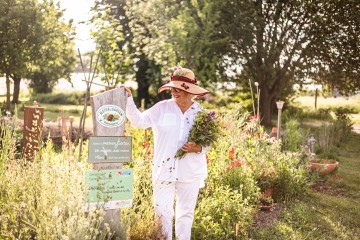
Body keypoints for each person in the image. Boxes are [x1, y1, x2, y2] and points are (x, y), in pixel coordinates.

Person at [122, 67, 211, 240]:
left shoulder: (202, 114)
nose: (174, 91)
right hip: (163, 171)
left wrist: (199, 148)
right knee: (162, 214)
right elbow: (139, 122)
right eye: (172, 88)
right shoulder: (162, 108)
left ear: (190, 91)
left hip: (190, 172)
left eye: (179, 88)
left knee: (185, 215)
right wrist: (129, 101)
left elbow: (209, 142)